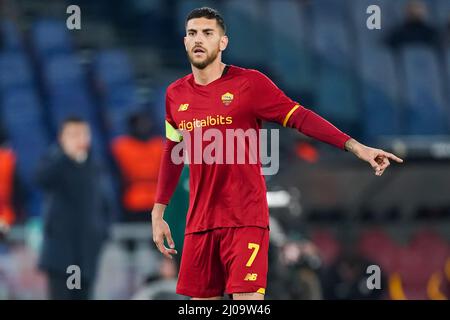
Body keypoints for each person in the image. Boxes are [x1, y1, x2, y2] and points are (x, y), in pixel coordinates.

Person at [151, 7, 403, 300]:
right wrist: (159, 212)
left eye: (208, 33)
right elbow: (172, 152)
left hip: (245, 219)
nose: (199, 39)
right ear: (184, 41)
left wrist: (355, 146)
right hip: (200, 223)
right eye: (192, 33)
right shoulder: (175, 94)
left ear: (223, 43)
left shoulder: (251, 84)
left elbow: (301, 117)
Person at [36, 117, 114, 300]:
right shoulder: (55, 162)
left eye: (82, 134)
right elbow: (41, 180)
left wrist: (102, 233)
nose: (78, 139)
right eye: (72, 135)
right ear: (61, 138)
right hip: (61, 255)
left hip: (85, 254)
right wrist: (65, 156)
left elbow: (105, 204)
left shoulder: (94, 166)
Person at [111, 111, 164, 222]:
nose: (142, 127)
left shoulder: (160, 145)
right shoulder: (121, 146)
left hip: (158, 199)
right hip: (132, 200)